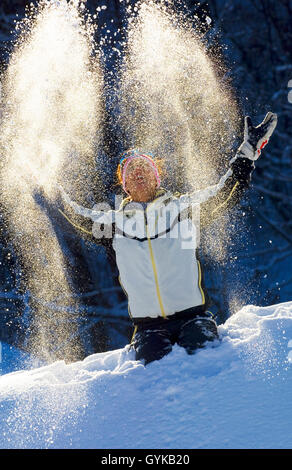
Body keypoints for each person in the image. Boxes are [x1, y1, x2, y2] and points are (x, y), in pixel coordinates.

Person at [37, 112, 277, 365]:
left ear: (156, 178)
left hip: (193, 318)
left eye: (144, 168)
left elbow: (225, 193)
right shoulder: (114, 225)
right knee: (154, 376)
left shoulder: (182, 210)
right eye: (131, 172)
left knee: (208, 366)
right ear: (125, 186)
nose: (138, 173)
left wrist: (248, 152)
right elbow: (75, 217)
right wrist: (48, 184)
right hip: (148, 328)